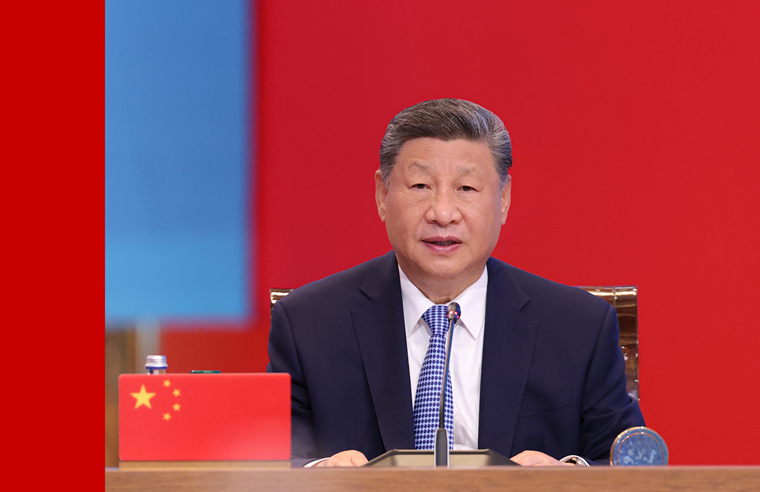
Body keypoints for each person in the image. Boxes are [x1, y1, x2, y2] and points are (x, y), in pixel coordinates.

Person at [267, 98, 644, 467]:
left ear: (503, 199)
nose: (443, 213)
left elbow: (628, 465)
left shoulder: (579, 327)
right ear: (383, 194)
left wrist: (567, 476)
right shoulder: (307, 324)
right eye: (420, 186)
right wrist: (318, 475)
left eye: (466, 188)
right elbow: (267, 464)